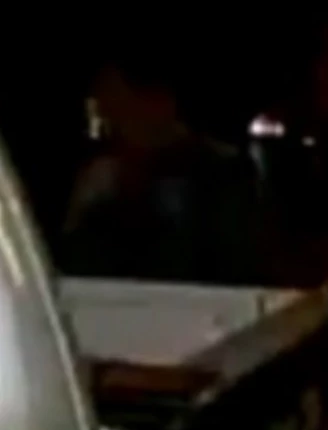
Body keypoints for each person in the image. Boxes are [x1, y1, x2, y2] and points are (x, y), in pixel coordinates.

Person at [61, 57, 266, 284]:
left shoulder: (223, 174)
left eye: (117, 103)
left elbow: (230, 269)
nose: (110, 121)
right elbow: (76, 268)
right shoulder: (102, 180)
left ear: (158, 101)